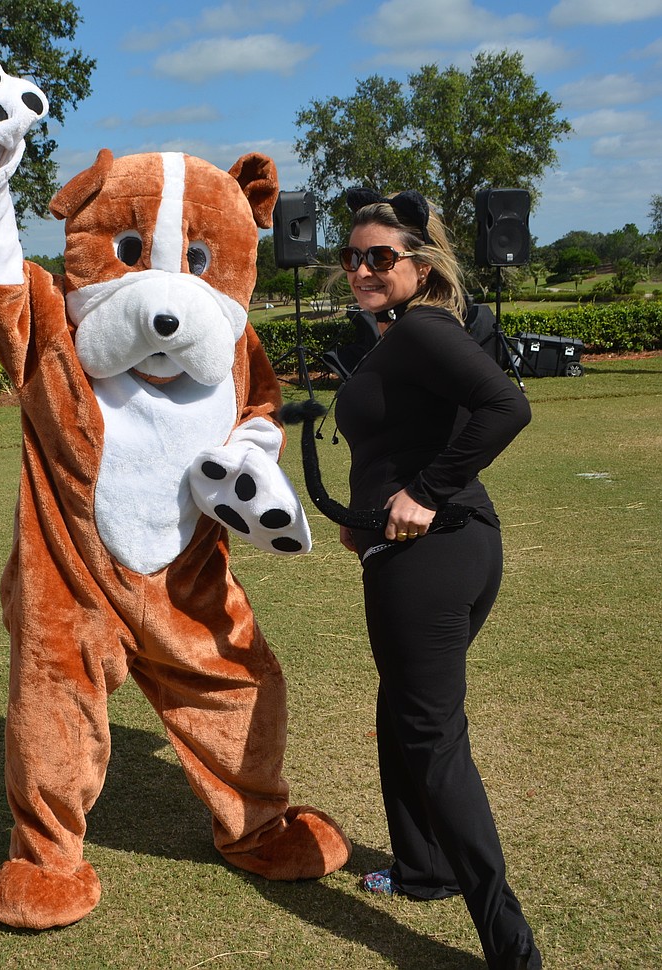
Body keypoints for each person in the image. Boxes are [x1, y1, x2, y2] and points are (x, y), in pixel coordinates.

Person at [332, 188, 542, 970]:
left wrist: (425, 492)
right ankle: (423, 869)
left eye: (379, 258)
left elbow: (505, 405)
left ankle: (510, 947)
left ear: (420, 265)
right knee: (404, 709)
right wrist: (364, 514)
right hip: (431, 552)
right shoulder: (401, 335)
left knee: (432, 734)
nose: (360, 269)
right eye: (351, 257)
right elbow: (403, 437)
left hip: (434, 557)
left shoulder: (421, 330)